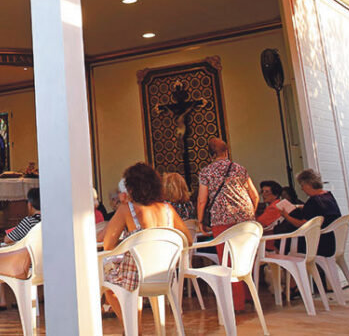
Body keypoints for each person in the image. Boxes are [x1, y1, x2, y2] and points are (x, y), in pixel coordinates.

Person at [102, 163, 193, 324]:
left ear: (131, 188)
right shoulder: (168, 209)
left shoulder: (126, 209)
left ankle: (133, 329)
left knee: (107, 286)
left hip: (134, 277)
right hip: (164, 275)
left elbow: (108, 244)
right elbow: (188, 240)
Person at [196, 138, 258, 312]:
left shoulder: (206, 172)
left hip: (222, 219)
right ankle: (248, 296)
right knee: (244, 257)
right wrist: (249, 214)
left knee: (228, 261)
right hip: (245, 217)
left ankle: (236, 305)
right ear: (227, 151)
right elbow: (255, 196)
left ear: (210, 154)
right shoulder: (239, 169)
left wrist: (200, 221)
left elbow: (202, 200)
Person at [276, 168, 342, 256]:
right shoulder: (328, 196)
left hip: (318, 245)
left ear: (308, 184)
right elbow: (321, 210)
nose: (302, 189)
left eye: (302, 185)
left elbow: (302, 224)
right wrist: (300, 206)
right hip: (332, 241)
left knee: (284, 231)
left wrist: (286, 216)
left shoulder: (313, 201)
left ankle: (280, 259)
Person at [0, 187, 41, 282]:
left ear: (30, 205)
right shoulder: (49, 221)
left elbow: (7, 239)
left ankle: (0, 296)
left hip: (29, 265)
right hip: (44, 263)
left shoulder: (29, 221)